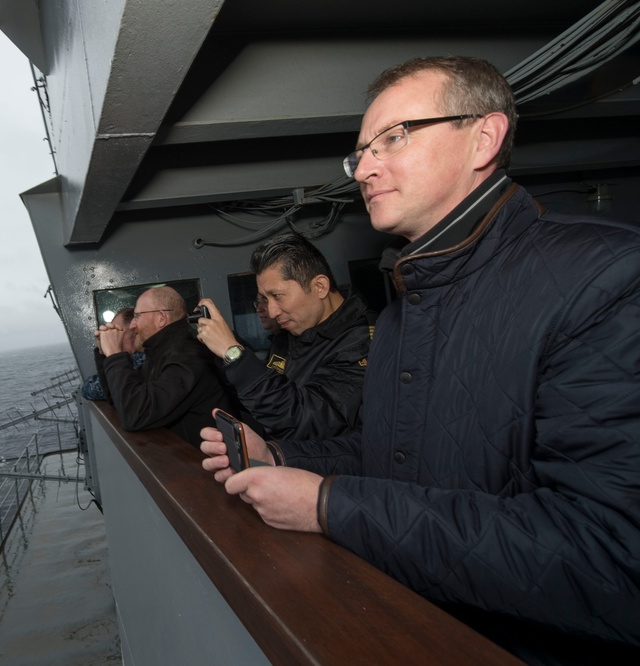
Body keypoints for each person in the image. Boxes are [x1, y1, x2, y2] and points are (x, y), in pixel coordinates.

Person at [200, 56, 640, 660]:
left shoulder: (606, 278)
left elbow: (609, 561)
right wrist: (282, 455)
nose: (365, 168)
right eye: (360, 152)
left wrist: (330, 507)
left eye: (395, 136)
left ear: (483, 138)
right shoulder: (407, 308)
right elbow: (397, 450)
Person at [195, 233, 371, 440]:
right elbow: (265, 402)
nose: (271, 312)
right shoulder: (292, 332)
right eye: (265, 299)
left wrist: (233, 354)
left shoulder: (363, 340)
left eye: (277, 296)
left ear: (320, 287)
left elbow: (305, 421)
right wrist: (224, 356)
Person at [97, 286, 237, 447]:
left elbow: (135, 415)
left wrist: (115, 355)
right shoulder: (159, 356)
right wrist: (103, 353)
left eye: (137, 316)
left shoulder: (188, 359)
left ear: (161, 318)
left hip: (207, 466)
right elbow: (121, 402)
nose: (132, 325)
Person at [81, 308, 145, 400]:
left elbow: (96, 388)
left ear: (134, 334)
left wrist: (112, 353)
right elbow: (89, 388)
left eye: (117, 332)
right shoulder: (132, 361)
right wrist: (102, 351)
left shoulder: (143, 361)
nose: (112, 336)